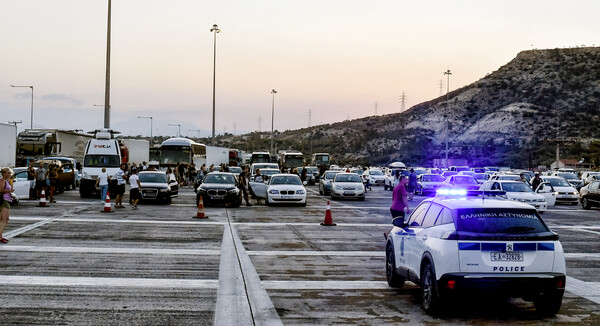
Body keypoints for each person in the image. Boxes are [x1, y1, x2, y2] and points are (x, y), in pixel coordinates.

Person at [0, 168, 15, 243]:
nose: (9, 175)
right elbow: (1, 190)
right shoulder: (2, 180)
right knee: (4, 219)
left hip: (7, 200)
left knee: (4, 219)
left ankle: (0, 236)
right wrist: (10, 191)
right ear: (4, 173)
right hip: (4, 201)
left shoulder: (7, 181)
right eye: (8, 173)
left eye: (10, 173)